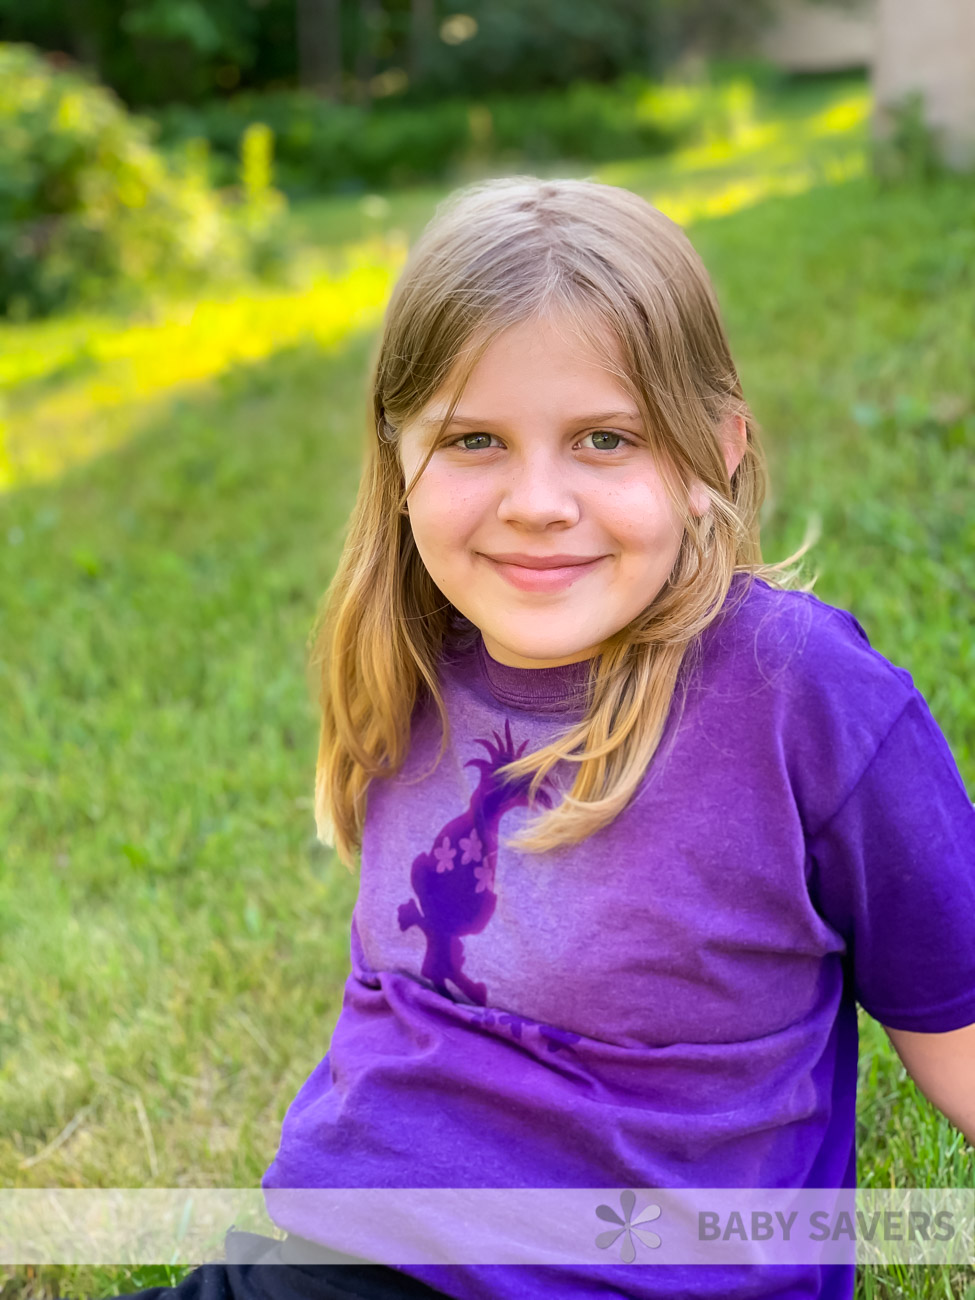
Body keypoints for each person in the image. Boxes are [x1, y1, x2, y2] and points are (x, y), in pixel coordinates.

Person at [126, 177, 975, 1300]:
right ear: (399, 460)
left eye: (603, 438)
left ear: (715, 452)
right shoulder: (416, 654)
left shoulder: (801, 696)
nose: (537, 499)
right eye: (475, 438)